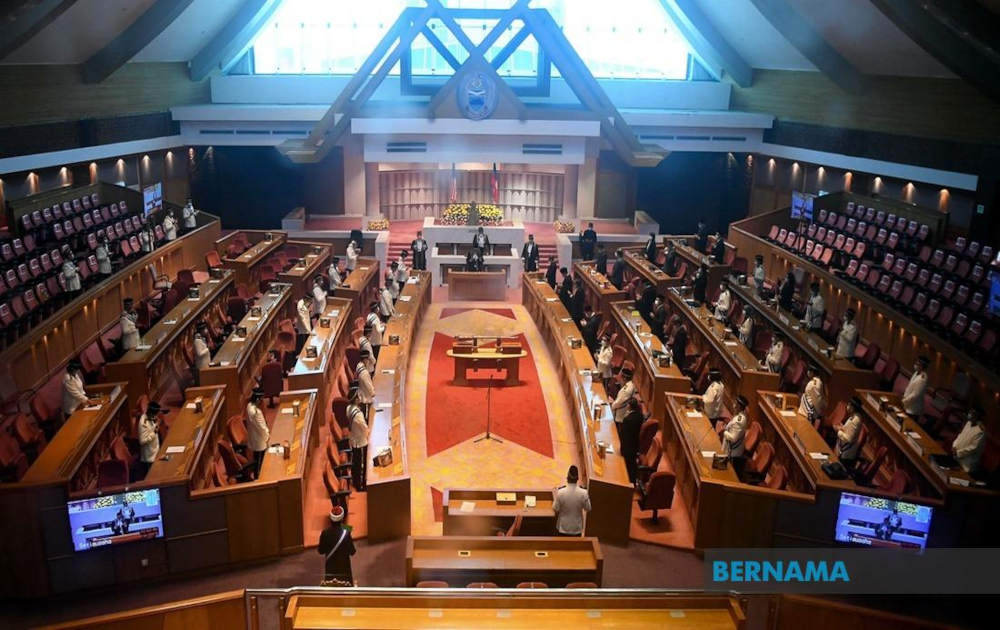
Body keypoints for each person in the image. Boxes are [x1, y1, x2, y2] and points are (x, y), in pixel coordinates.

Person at [318, 506, 356, 584]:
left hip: (331, 569)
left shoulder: (325, 533)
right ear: (342, 519)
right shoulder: (346, 533)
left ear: (330, 519)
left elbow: (321, 551)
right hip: (344, 569)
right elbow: (352, 552)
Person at [553, 465, 591, 536]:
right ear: (577, 479)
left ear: (567, 478)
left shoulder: (561, 492)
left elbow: (555, 508)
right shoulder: (583, 493)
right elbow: (588, 508)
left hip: (562, 528)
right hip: (577, 529)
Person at [347, 386, 369, 491]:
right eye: (358, 397)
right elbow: (365, 429)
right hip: (361, 442)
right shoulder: (358, 415)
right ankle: (360, 485)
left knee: (355, 462)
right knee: (361, 464)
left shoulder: (348, 409)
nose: (359, 399)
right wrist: (368, 433)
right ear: (355, 400)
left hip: (353, 440)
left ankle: (355, 480)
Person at [952, 405, 986, 474]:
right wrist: (954, 446)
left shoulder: (980, 431)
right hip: (956, 457)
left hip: (966, 464)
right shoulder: (968, 423)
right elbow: (960, 436)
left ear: (977, 416)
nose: (969, 414)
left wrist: (958, 453)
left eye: (972, 413)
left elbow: (973, 448)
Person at [619, 398, 645, 483]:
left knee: (627, 468)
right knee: (632, 467)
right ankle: (632, 482)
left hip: (627, 448)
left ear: (629, 406)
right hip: (635, 446)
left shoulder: (627, 419)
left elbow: (622, 433)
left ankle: (628, 483)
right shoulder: (640, 416)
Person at [247, 388, 269, 478]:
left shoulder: (249, 406)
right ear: (257, 399)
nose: (262, 401)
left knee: (256, 460)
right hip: (259, 441)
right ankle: (259, 478)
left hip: (254, 438)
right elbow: (262, 428)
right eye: (261, 399)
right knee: (260, 462)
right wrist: (267, 436)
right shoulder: (256, 412)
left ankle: (257, 476)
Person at [835, 397, 864, 465]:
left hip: (846, 454)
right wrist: (843, 428)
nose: (847, 407)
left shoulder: (854, 421)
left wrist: (838, 431)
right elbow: (851, 431)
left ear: (852, 408)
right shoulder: (857, 416)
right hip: (847, 451)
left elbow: (848, 438)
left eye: (849, 405)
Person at [138, 401, 163, 478]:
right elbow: (142, 441)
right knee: (152, 476)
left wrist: (155, 426)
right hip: (149, 457)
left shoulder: (150, 419)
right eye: (156, 415)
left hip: (155, 451)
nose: (157, 417)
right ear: (152, 414)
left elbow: (151, 429)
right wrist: (154, 432)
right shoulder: (143, 423)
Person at [611, 367, 636, 434]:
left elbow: (618, 403)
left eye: (621, 378)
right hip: (625, 414)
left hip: (620, 417)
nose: (620, 380)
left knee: (617, 433)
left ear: (624, 379)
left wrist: (611, 406)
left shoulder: (625, 390)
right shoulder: (631, 385)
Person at [356, 351, 375, 419]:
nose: (368, 361)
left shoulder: (359, 365)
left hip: (362, 391)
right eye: (367, 360)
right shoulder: (364, 372)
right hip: (364, 396)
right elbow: (368, 384)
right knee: (366, 415)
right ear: (364, 360)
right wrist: (372, 393)